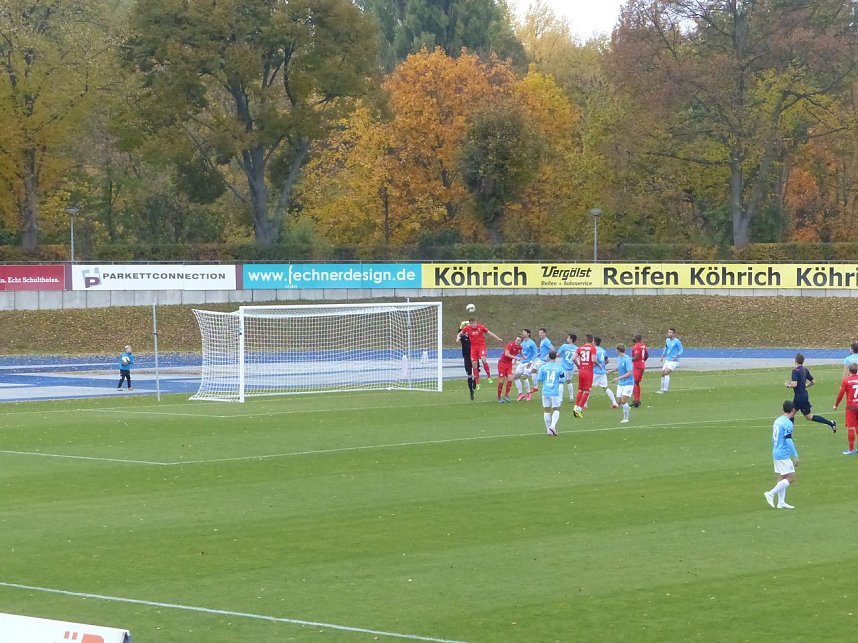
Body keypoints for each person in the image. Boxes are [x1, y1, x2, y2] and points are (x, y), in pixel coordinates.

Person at [786, 352, 836, 432]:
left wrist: (788, 385)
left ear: (795, 361)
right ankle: (831, 423)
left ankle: (788, 435)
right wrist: (804, 386)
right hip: (805, 395)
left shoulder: (795, 371)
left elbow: (794, 384)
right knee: (809, 417)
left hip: (799, 397)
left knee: (790, 415)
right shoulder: (805, 370)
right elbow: (813, 382)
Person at [763, 401, 800, 510]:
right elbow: (788, 439)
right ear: (793, 410)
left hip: (776, 452)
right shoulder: (788, 423)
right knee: (791, 477)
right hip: (783, 453)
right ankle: (770, 493)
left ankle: (781, 502)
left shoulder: (777, 421)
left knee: (783, 476)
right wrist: (796, 455)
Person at [457, 318, 502, 390]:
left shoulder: (481, 327)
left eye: (474, 323)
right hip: (473, 348)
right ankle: (477, 383)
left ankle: (489, 377)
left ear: (476, 323)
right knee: (474, 365)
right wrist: (457, 338)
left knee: (483, 360)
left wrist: (498, 338)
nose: (473, 325)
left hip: (481, 346)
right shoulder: (467, 328)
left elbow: (489, 333)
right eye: (471, 323)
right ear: (470, 324)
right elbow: (460, 333)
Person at [536, 350, 566, 436]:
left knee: (546, 410)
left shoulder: (543, 367)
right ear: (556, 357)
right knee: (556, 409)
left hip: (545, 391)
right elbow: (562, 380)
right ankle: (552, 426)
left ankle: (548, 429)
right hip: (554, 391)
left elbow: (539, 379)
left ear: (548, 357)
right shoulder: (559, 368)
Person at [833, 362, 858, 454]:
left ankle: (851, 450)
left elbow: (840, 394)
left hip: (851, 407)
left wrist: (836, 405)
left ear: (849, 370)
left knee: (851, 428)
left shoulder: (846, 381)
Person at [572, 333, 597, 418]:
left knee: (580, 390)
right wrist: (598, 364)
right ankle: (579, 409)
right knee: (587, 391)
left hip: (581, 371)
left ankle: (575, 407)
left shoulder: (580, 348)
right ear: (592, 340)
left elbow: (573, 358)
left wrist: (578, 366)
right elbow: (593, 360)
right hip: (588, 371)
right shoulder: (593, 348)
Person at [592, 336, 618, 408]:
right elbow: (607, 361)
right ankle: (614, 403)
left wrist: (595, 366)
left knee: (587, 388)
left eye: (592, 340)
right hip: (602, 372)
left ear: (594, 342)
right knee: (605, 387)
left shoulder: (594, 350)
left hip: (595, 372)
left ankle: (583, 404)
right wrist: (602, 366)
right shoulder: (603, 350)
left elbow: (594, 361)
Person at [497, 335, 522, 403]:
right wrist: (515, 358)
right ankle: (499, 397)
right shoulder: (510, 345)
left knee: (510, 378)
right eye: (516, 339)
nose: (517, 341)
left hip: (509, 364)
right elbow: (506, 354)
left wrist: (523, 356)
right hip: (502, 363)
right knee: (501, 381)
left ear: (521, 342)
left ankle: (506, 395)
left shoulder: (520, 347)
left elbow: (520, 352)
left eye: (519, 340)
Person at [612, 344, 634, 423]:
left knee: (623, 401)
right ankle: (627, 408)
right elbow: (619, 366)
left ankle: (626, 418)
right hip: (621, 383)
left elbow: (630, 373)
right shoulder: (619, 358)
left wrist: (618, 378)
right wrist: (611, 370)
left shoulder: (627, 359)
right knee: (619, 402)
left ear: (618, 350)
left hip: (628, 383)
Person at [515, 328, 538, 401]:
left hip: (528, 363)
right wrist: (515, 358)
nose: (523, 333)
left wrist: (531, 362)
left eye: (524, 332)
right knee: (516, 377)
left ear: (528, 334)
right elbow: (520, 352)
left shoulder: (532, 343)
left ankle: (528, 393)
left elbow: (535, 353)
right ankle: (520, 393)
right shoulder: (521, 343)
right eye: (523, 332)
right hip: (522, 362)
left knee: (524, 377)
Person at [529, 328, 554, 394]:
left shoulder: (546, 341)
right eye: (539, 333)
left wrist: (547, 356)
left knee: (533, 371)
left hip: (544, 361)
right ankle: (543, 388)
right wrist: (540, 353)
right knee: (543, 374)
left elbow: (552, 349)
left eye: (541, 333)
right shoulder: (542, 341)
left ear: (545, 333)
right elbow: (545, 349)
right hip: (542, 359)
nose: (540, 334)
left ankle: (536, 387)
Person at [658, 328, 683, 393]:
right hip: (668, 359)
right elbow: (666, 347)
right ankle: (661, 389)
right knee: (662, 373)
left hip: (674, 360)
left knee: (666, 372)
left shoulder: (677, 341)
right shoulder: (667, 340)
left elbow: (681, 350)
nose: (669, 333)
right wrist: (662, 355)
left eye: (670, 332)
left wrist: (676, 356)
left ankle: (665, 390)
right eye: (668, 332)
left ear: (674, 334)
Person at [457, 321, 476, 400]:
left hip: (474, 356)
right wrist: (462, 324)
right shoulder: (463, 336)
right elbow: (459, 332)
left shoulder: (473, 336)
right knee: (469, 374)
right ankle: (471, 391)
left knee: (476, 371)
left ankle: (475, 383)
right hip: (467, 357)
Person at [556, 333, 578, 402]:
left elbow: (558, 354)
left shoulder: (564, 346)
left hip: (563, 368)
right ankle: (571, 398)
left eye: (568, 338)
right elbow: (576, 359)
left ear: (571, 339)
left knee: (561, 382)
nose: (567, 339)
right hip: (570, 368)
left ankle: (560, 398)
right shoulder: (577, 348)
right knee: (569, 381)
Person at [630, 333, 649, 408]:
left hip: (637, 366)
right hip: (642, 365)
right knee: (637, 382)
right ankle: (637, 399)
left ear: (636, 338)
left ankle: (636, 400)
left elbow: (636, 356)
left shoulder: (636, 346)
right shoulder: (643, 345)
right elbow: (647, 355)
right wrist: (642, 361)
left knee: (634, 382)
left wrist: (629, 360)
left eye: (633, 337)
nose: (632, 338)